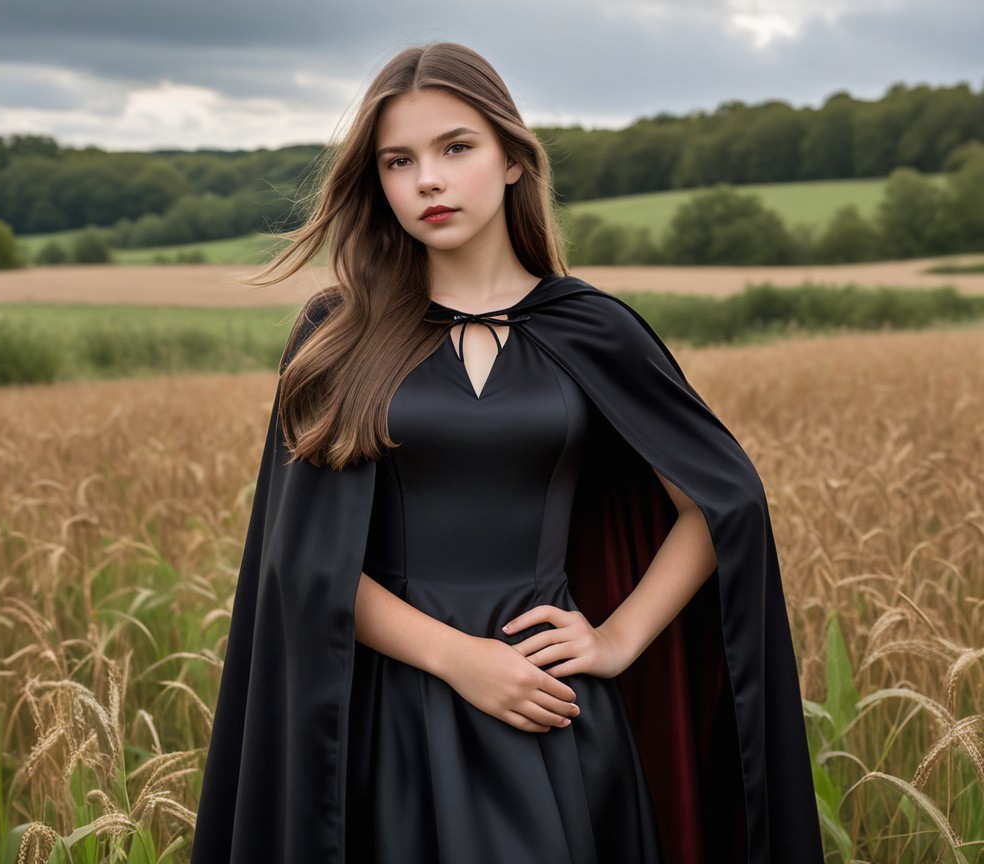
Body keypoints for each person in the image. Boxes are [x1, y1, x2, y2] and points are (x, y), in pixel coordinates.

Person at [190, 42, 824, 864]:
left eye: (456, 147)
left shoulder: (592, 327)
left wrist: (617, 639)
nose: (428, 180)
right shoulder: (337, 334)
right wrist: (460, 662)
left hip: (553, 708)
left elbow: (723, 501)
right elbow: (306, 559)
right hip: (391, 711)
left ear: (514, 159)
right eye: (398, 160)